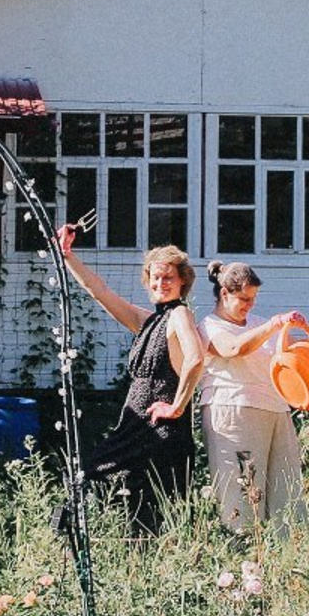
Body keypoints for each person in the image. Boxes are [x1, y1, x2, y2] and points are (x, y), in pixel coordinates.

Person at [57, 226, 205, 535]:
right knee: (126, 503)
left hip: (161, 433)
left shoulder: (180, 315)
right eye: (156, 277)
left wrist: (176, 407)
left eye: (168, 278)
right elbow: (100, 292)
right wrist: (68, 255)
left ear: (182, 281)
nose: (161, 283)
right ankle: (116, 562)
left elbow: (196, 358)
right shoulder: (148, 320)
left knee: (155, 510)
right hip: (135, 427)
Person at [197, 261, 307, 538]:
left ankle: (288, 563)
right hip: (233, 411)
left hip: (275, 410)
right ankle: (240, 563)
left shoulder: (259, 324)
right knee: (243, 492)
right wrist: (274, 324)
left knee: (287, 490)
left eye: (253, 299)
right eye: (244, 299)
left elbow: (293, 355)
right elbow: (235, 348)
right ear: (224, 294)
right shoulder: (209, 326)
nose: (250, 305)